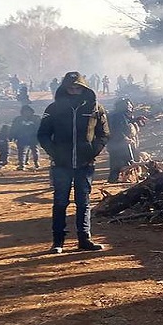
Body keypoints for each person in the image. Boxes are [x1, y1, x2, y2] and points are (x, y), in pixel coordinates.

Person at [38, 71, 109, 253]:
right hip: (61, 165)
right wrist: (54, 153)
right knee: (60, 202)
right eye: (70, 87)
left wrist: (93, 151)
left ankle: (84, 240)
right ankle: (58, 242)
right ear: (64, 88)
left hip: (85, 165)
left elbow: (104, 134)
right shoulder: (53, 109)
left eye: (77, 87)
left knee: (83, 202)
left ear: (84, 87)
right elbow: (43, 135)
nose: (74, 90)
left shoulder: (95, 108)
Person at [107, 98, 146, 183]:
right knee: (126, 160)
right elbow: (117, 129)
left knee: (117, 161)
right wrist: (125, 138)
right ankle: (123, 178)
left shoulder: (119, 114)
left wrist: (136, 119)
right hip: (119, 143)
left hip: (115, 143)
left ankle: (114, 178)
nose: (131, 106)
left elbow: (125, 122)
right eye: (129, 105)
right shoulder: (118, 116)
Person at [10, 105, 41, 170]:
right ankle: (22, 164)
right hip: (22, 137)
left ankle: (36, 163)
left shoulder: (36, 118)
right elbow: (14, 128)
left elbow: (40, 127)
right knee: (21, 152)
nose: (26, 112)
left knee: (35, 151)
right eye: (25, 111)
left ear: (31, 111)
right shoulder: (18, 119)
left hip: (33, 137)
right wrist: (12, 136)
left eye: (28, 111)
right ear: (22, 112)